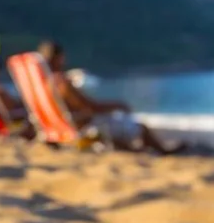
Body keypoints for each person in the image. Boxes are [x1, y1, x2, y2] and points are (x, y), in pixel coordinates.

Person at [37, 41, 184, 155]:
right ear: (59, 58)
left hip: (63, 126)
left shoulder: (41, 84)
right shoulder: (61, 82)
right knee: (141, 128)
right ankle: (164, 152)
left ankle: (133, 149)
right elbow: (90, 107)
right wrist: (118, 105)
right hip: (83, 126)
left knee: (121, 125)